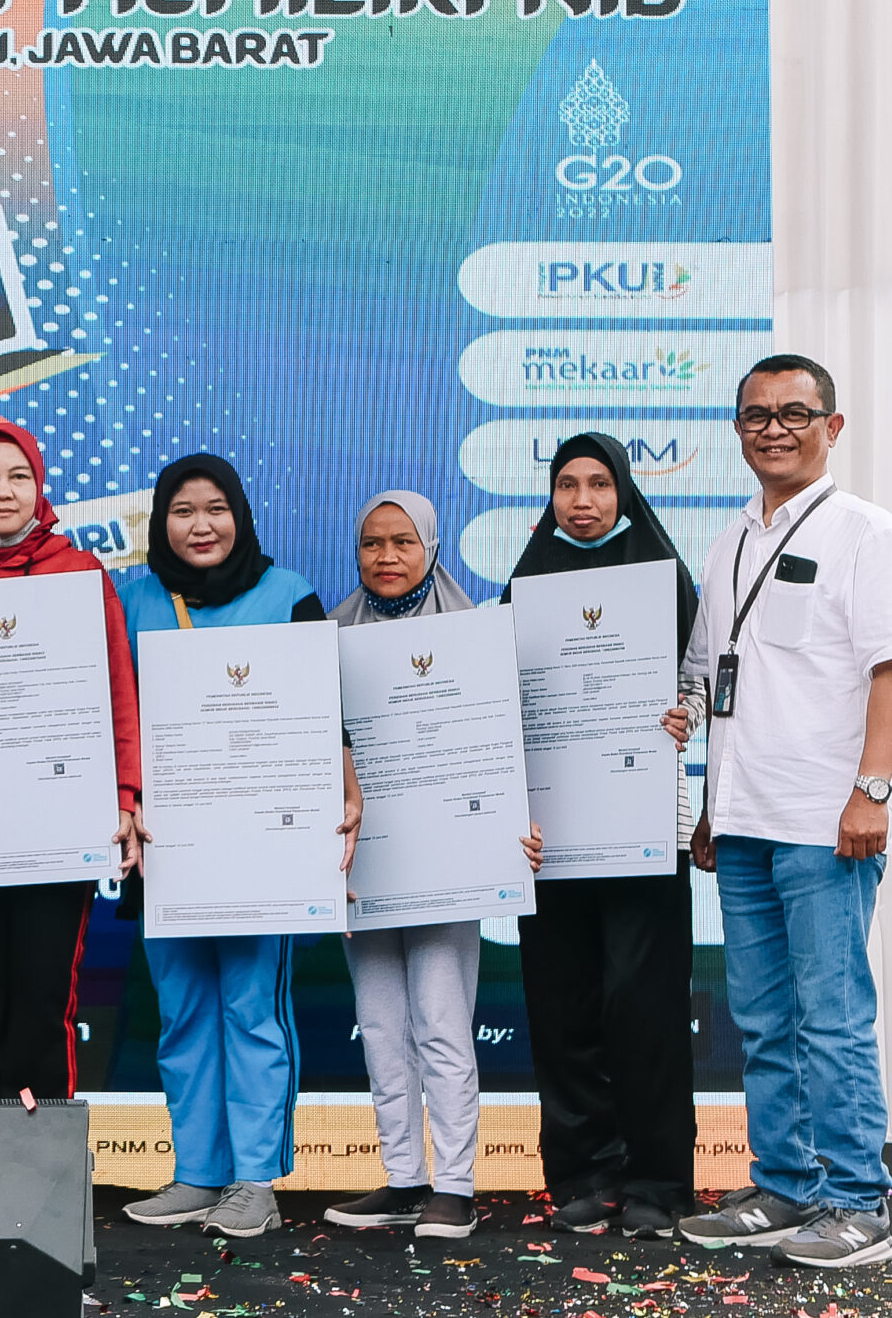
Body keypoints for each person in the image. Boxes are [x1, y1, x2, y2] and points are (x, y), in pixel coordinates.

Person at [676, 356, 892, 1269]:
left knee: (832, 1018)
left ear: (832, 426)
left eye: (794, 413)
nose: (774, 429)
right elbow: (718, 681)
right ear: (738, 430)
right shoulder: (729, 540)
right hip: (743, 823)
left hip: (826, 822)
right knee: (763, 1019)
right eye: (756, 415)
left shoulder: (867, 531)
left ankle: (859, 1205)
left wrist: (872, 790)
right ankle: (785, 1186)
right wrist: (713, 805)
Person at [111, 454, 357, 1241]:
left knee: (253, 1010)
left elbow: (326, 712)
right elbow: (111, 719)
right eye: (182, 510)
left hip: (262, 853)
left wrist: (343, 795)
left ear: (240, 515)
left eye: (215, 508)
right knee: (182, 1013)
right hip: (169, 849)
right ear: (161, 522)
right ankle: (198, 1173)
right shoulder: (132, 599)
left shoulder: (288, 595)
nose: (201, 525)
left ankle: (255, 1181)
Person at [322, 491, 540, 1241]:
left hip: (449, 864)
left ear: (432, 548)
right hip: (365, 865)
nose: (386, 557)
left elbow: (509, 747)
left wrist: (511, 825)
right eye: (371, 543)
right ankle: (403, 1177)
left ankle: (454, 1186)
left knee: (442, 1023)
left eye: (403, 542)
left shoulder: (475, 633)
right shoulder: (327, 639)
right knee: (381, 1026)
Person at [500, 435, 702, 1239]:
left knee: (645, 1009)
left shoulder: (666, 577)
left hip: (643, 830)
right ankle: (584, 1174)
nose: (582, 501)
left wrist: (685, 714)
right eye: (566, 485)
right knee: (564, 1007)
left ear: (623, 492)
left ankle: (659, 1180)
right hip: (552, 839)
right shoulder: (525, 585)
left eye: (598, 484)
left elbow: (699, 680)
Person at [0, 422, 142, 1106]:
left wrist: (125, 797)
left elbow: (117, 694)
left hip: (59, 828)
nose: (3, 491)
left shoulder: (81, 575)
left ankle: (45, 1159)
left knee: (45, 996)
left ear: (39, 487)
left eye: (18, 476)